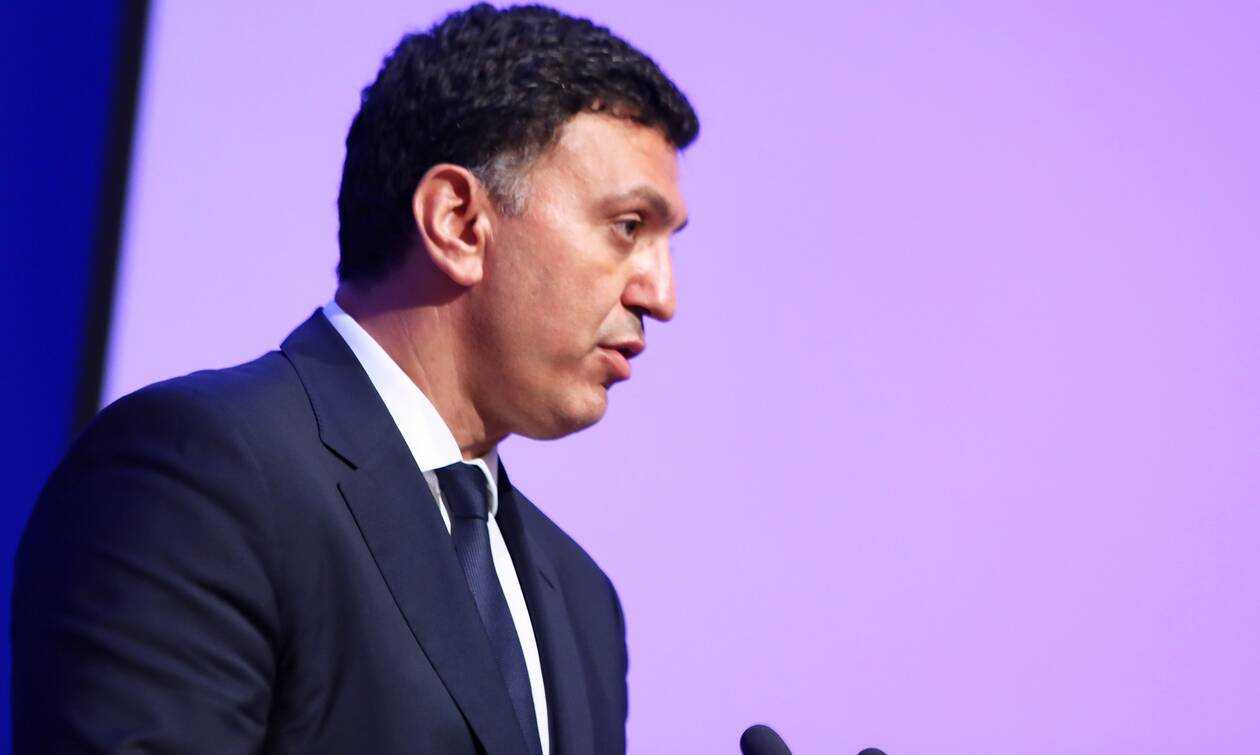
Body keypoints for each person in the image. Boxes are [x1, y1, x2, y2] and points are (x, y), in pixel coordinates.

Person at [11, 4, 698, 753]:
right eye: (629, 227)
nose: (661, 294)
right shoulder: (197, 479)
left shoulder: (584, 604)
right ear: (459, 223)